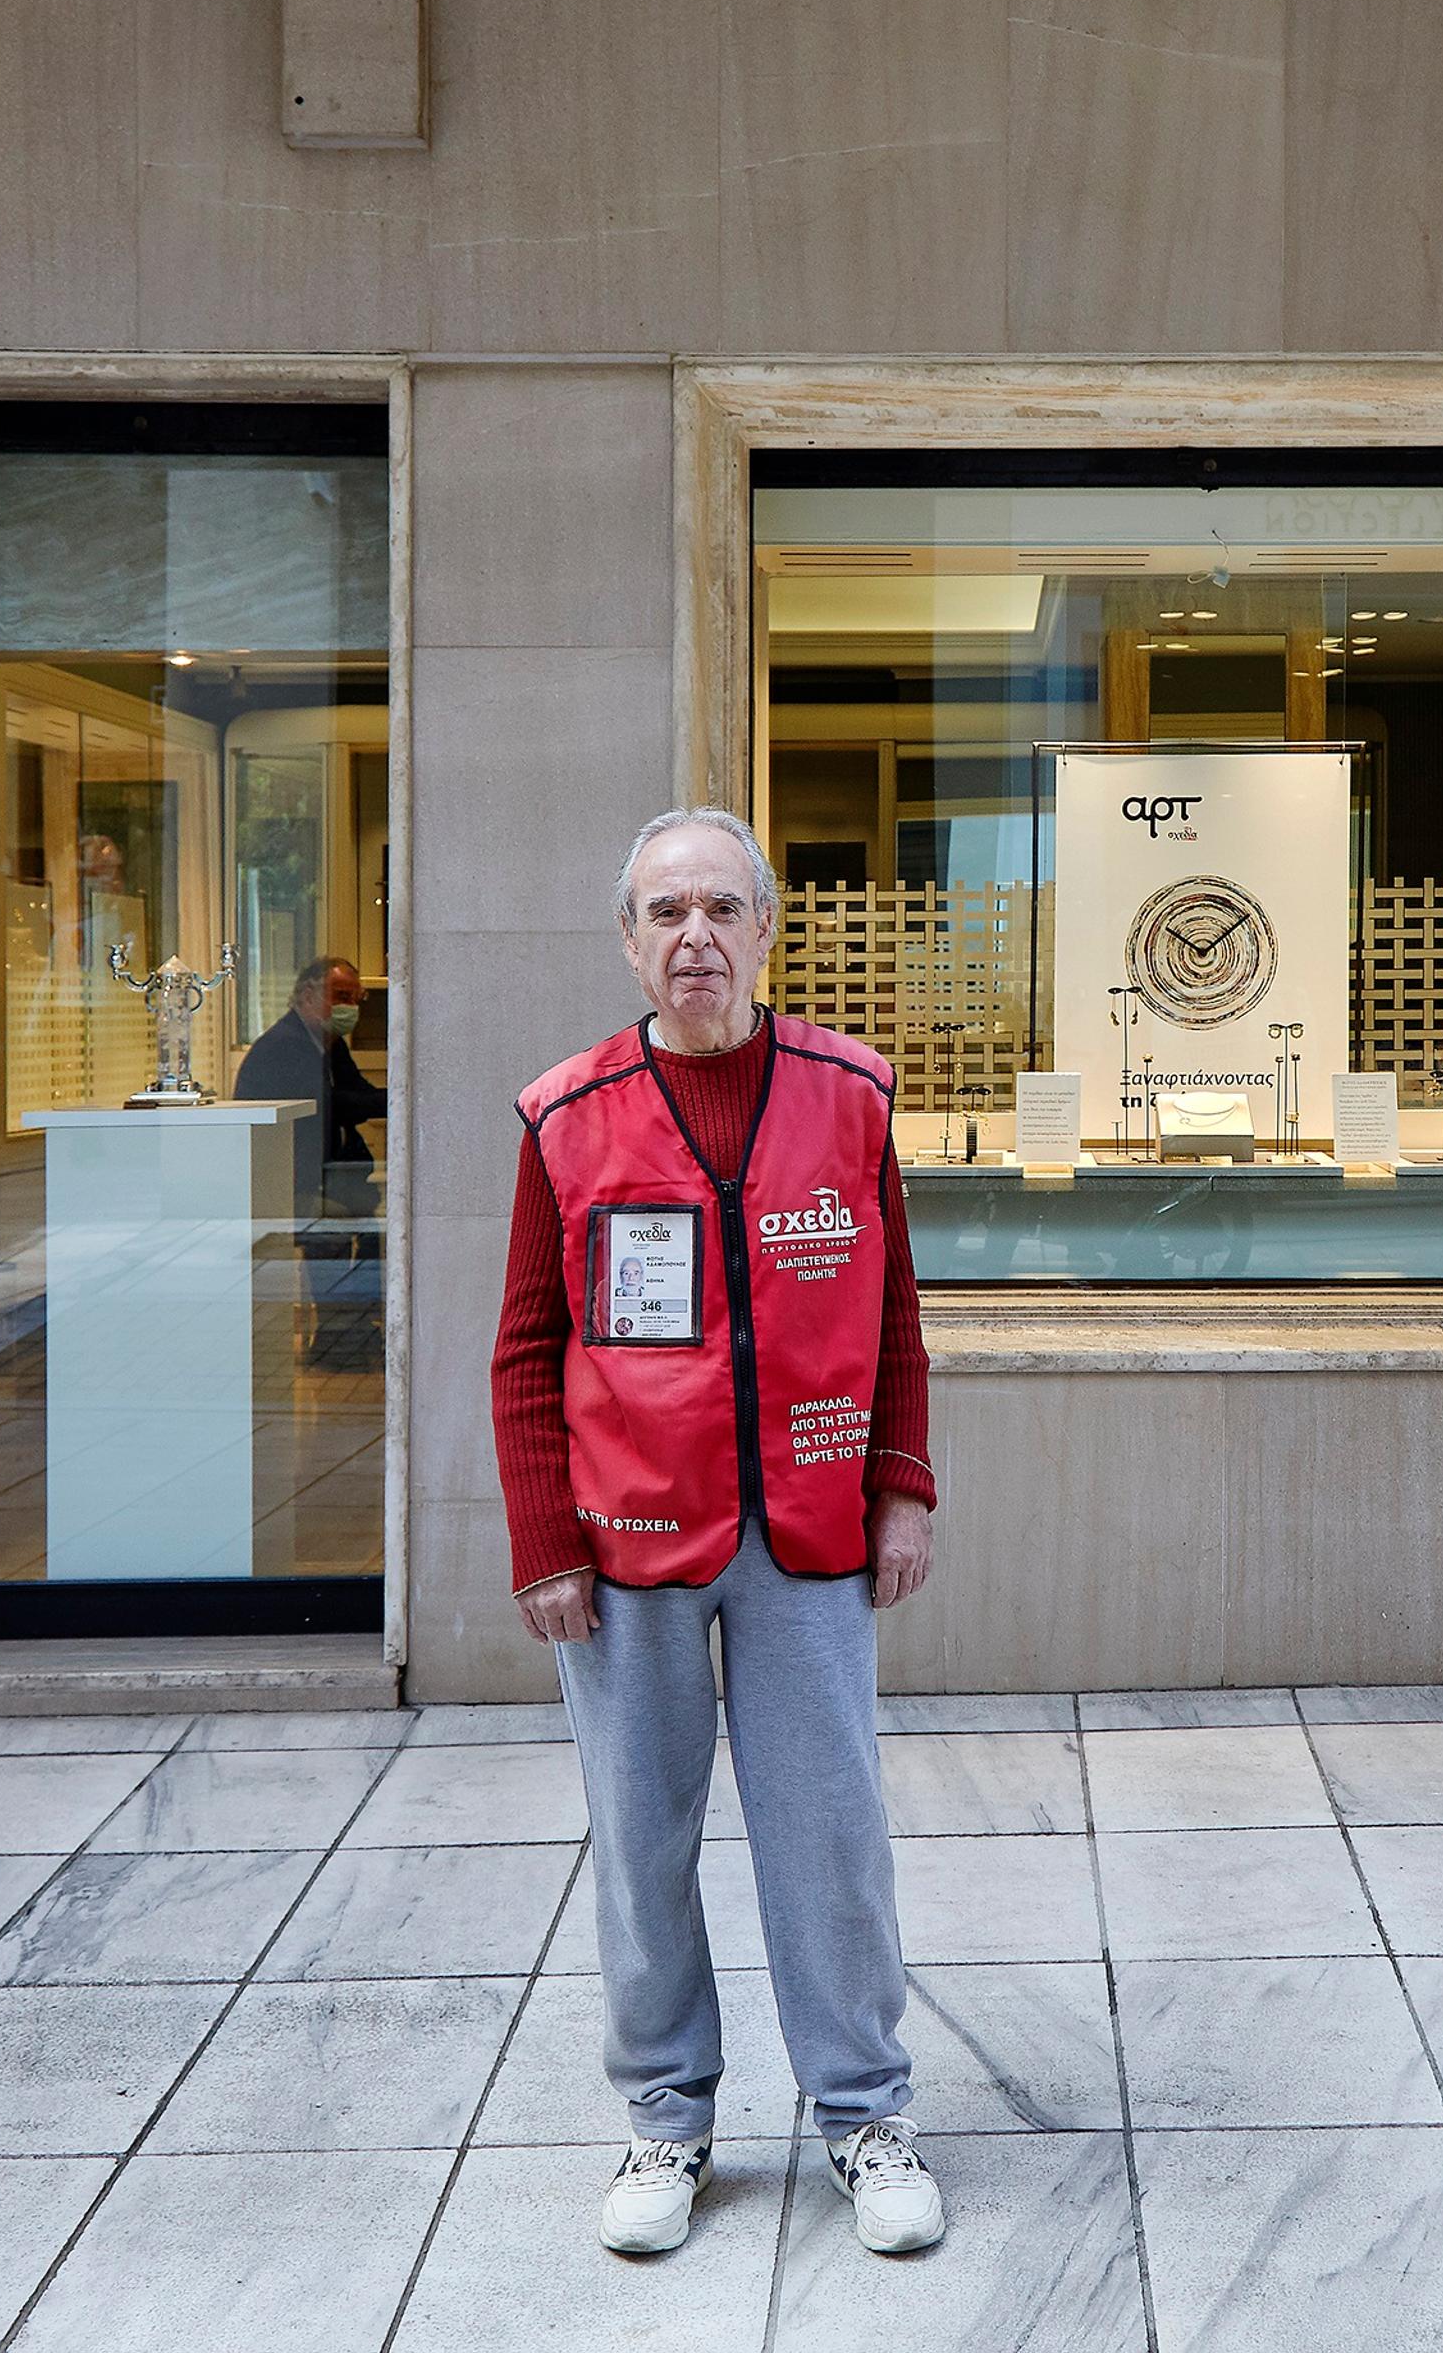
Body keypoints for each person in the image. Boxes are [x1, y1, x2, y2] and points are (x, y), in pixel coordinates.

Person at [493, 806, 947, 2260]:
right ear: (628, 941)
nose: (695, 936)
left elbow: (894, 1320)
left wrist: (903, 1483)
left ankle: (865, 2116)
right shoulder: (566, 1116)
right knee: (642, 1839)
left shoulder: (852, 1093)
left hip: (807, 1524)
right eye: (664, 911)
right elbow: (525, 1346)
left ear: (765, 929)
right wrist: (542, 1537)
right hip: (627, 1538)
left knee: (829, 1834)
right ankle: (667, 2123)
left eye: (721, 908)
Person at [233, 956, 385, 1162]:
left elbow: (358, 1090)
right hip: (286, 1169)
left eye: (356, 999)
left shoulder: (331, 1041)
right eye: (341, 996)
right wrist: (390, 1102)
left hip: (328, 1168)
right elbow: (327, 1105)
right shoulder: (284, 1045)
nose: (350, 1007)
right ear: (308, 996)